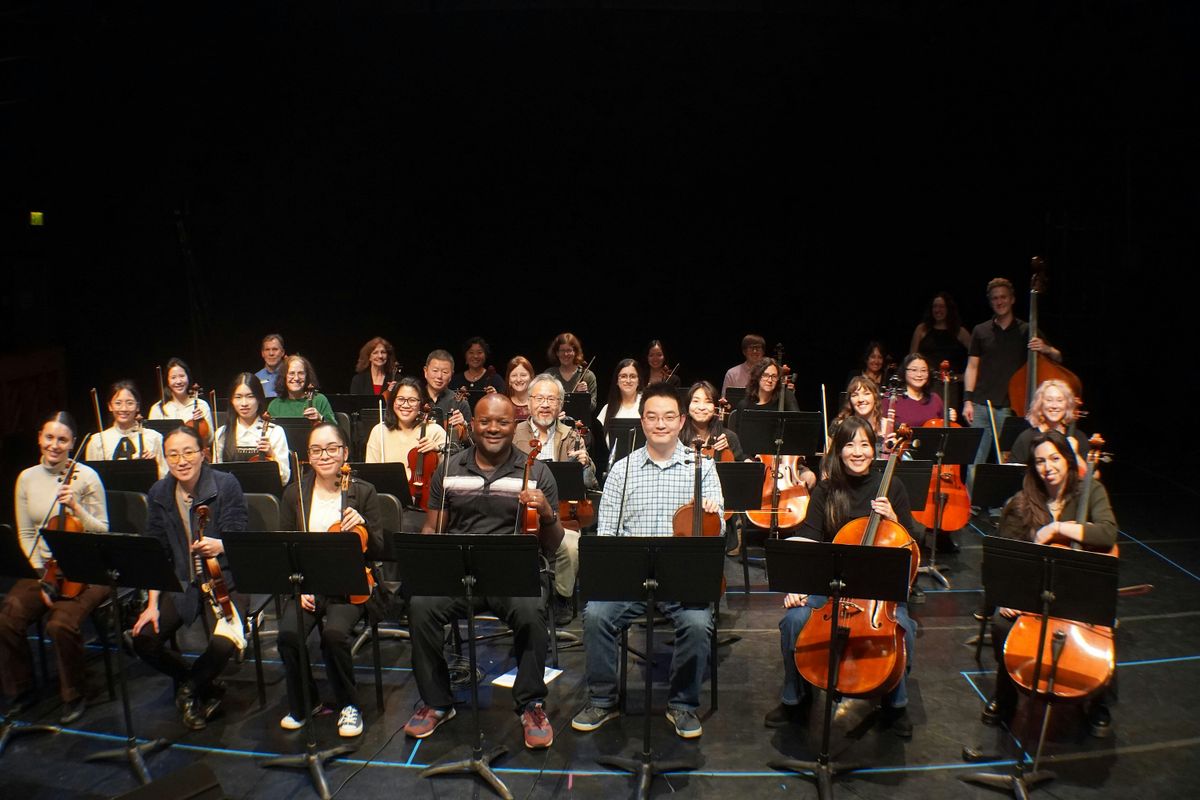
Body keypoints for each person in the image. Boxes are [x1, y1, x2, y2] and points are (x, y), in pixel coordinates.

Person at [403, 393, 564, 750]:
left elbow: (553, 544)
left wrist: (547, 513)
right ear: (473, 425)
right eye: (485, 421)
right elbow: (433, 528)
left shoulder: (537, 472)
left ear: (514, 425)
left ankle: (531, 704)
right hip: (460, 573)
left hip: (513, 577)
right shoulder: (449, 469)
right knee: (421, 606)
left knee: (532, 611)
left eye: (502, 422)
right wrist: (422, 559)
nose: (493, 428)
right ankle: (437, 702)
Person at [572, 383, 722, 740]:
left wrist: (713, 514)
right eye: (652, 417)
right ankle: (603, 699)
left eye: (668, 417)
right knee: (596, 615)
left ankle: (682, 704)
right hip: (631, 577)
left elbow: (718, 529)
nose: (660, 424)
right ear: (642, 422)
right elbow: (607, 534)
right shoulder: (622, 471)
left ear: (681, 421)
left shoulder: (702, 468)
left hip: (681, 579)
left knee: (698, 623)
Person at [766, 417, 917, 738]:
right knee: (794, 620)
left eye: (864, 444)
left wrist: (895, 519)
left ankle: (895, 705)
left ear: (874, 449)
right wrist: (797, 585)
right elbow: (808, 539)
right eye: (849, 444)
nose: (857, 452)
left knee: (903, 627)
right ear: (839, 450)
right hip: (832, 585)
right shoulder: (826, 490)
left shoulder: (893, 487)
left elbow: (914, 543)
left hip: (879, 592)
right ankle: (795, 699)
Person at [982, 430, 1116, 736]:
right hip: (1034, 590)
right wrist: (1009, 596)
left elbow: (1108, 532)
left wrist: (1059, 528)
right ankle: (1005, 694)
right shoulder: (1023, 501)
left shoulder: (1090, 489)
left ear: (1067, 459)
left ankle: (1099, 701)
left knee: (1103, 623)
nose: (1048, 467)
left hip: (1079, 589)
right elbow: (1009, 558)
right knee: (1001, 624)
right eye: (1040, 461)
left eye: (1054, 458)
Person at [131, 426, 248, 731]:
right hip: (184, 581)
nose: (181, 461)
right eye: (173, 454)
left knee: (224, 642)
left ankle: (189, 690)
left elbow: (240, 535)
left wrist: (220, 545)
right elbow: (158, 553)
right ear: (165, 458)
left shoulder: (225, 484)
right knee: (143, 639)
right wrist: (152, 604)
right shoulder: (159, 492)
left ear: (203, 453)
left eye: (188, 452)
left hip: (227, 578)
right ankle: (198, 683)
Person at [0, 412, 109, 724]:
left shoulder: (86, 477)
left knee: (60, 624)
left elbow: (103, 530)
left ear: (73, 443)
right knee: (7, 618)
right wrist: (42, 575)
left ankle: (75, 692)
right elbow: (26, 533)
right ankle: (22, 689)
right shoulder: (26, 478)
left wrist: (76, 507)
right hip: (44, 566)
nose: (55, 445)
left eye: (62, 439)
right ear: (39, 437)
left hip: (86, 568)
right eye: (49, 437)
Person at [277, 423, 383, 738]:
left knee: (334, 635)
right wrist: (297, 589)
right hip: (309, 583)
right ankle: (306, 701)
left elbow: (379, 547)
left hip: (350, 584)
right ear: (308, 456)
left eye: (332, 448)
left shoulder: (363, 492)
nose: (324, 455)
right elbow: (285, 548)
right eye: (316, 450)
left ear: (345, 452)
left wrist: (363, 524)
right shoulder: (294, 494)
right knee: (288, 635)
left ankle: (349, 705)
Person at [513, 374, 597, 625]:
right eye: (539, 398)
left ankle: (562, 597)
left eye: (551, 399)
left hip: (561, 514)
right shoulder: (513, 433)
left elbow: (589, 483)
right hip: (518, 513)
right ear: (529, 402)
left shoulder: (571, 434)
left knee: (570, 545)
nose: (545, 404)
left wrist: (585, 465)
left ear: (560, 404)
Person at [963, 277, 1062, 484]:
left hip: (1011, 408)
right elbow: (972, 367)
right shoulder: (980, 330)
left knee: (1008, 463)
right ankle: (972, 504)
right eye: (995, 298)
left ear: (1012, 299)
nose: (999, 302)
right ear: (990, 301)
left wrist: (1045, 348)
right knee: (974, 463)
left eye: (1003, 297)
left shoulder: (1027, 330)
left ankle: (1005, 504)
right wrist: (967, 400)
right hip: (981, 405)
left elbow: (1058, 357)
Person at [213, 372, 291, 485]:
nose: (244, 403)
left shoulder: (274, 432)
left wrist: (272, 455)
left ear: (259, 399)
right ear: (231, 400)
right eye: (238, 397)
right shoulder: (222, 433)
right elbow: (216, 477)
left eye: (250, 396)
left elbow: (284, 479)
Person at [85, 380, 167, 478]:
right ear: (110, 406)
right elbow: (90, 479)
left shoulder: (154, 438)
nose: (124, 409)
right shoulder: (97, 441)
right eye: (118, 403)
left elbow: (165, 476)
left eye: (130, 403)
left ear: (137, 406)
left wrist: (152, 466)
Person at [364, 376, 448, 465]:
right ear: (393, 401)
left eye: (412, 400)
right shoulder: (379, 431)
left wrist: (439, 451)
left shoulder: (435, 432)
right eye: (400, 399)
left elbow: (449, 468)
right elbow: (371, 471)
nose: (405, 405)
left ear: (422, 404)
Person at [1008, 379, 1084, 466]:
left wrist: (1075, 454)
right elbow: (1012, 472)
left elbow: (1087, 474)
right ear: (1040, 404)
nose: (1054, 406)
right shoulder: (1026, 438)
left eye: (1060, 400)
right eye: (1049, 400)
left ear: (1067, 405)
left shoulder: (1078, 437)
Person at [728, 357, 800, 435]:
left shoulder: (784, 400)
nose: (770, 380)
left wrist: (787, 392)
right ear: (757, 377)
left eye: (774, 376)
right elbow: (738, 437)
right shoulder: (744, 406)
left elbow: (797, 427)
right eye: (765, 375)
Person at [148, 357, 215, 437]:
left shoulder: (201, 405)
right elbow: (152, 439)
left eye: (182, 376)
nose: (179, 381)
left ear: (188, 378)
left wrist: (203, 422)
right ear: (167, 381)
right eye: (173, 377)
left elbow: (211, 440)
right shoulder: (157, 409)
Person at [680, 381, 745, 462]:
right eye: (696, 401)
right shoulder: (677, 436)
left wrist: (728, 452)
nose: (701, 407)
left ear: (715, 408)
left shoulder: (729, 437)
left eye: (708, 402)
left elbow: (740, 465)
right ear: (688, 406)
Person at [890, 353, 955, 430]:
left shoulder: (935, 399)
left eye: (923, 370)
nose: (919, 374)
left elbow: (944, 430)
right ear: (904, 371)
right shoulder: (892, 397)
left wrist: (950, 417)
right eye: (914, 370)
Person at [910, 292, 971, 372]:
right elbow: (911, 358)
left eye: (941, 306)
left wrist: (964, 375)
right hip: (925, 377)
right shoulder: (922, 329)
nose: (937, 310)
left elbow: (975, 354)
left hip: (951, 378)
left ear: (948, 309)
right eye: (935, 306)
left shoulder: (960, 331)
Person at [268, 354, 336, 423]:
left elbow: (334, 428)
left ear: (307, 376)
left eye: (301, 373)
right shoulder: (275, 405)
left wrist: (320, 418)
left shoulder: (319, 400)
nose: (296, 378)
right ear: (284, 376)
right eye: (291, 373)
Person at [423, 349, 472, 439]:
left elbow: (471, 441)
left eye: (445, 372)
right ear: (425, 371)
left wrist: (464, 425)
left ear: (451, 375)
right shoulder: (414, 398)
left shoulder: (460, 403)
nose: (439, 376)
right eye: (435, 370)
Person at [597, 359, 644, 446]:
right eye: (623, 376)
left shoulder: (647, 405)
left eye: (633, 376)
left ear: (639, 381)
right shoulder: (607, 409)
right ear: (617, 381)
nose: (628, 381)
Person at [548, 332, 598, 412]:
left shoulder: (588, 376)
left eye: (569, 350)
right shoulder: (549, 375)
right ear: (557, 353)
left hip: (579, 420)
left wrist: (584, 395)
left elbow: (591, 408)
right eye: (562, 350)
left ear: (575, 352)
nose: (565, 354)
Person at [720, 333, 765, 398]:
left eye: (758, 347)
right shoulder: (732, 374)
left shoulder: (770, 373)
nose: (755, 351)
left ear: (763, 352)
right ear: (744, 352)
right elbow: (725, 399)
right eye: (751, 347)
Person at [504, 355, 535, 422]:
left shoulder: (539, 404)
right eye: (514, 375)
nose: (518, 380)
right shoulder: (503, 404)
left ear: (531, 378)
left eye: (523, 375)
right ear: (509, 380)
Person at [256, 334, 286, 398]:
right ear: (262, 353)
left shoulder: (290, 374)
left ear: (282, 352)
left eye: (275, 349)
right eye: (267, 349)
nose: (271, 353)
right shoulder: (256, 377)